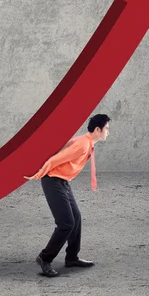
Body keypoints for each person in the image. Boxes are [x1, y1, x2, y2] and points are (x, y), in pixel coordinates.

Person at [24, 114, 111, 277]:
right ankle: (45, 258)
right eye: (107, 128)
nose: (108, 132)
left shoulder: (88, 143)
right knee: (66, 223)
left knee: (76, 218)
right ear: (97, 129)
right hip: (53, 180)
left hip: (63, 182)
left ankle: (71, 257)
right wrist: (36, 175)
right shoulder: (83, 144)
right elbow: (53, 161)